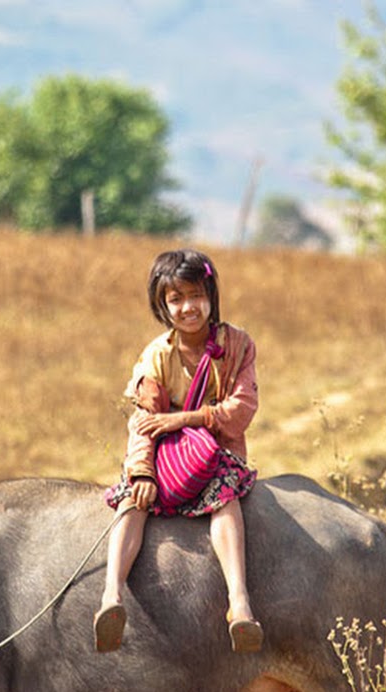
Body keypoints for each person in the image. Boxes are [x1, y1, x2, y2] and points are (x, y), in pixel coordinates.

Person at [95, 248, 263, 654]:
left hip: (216, 455)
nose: (188, 307)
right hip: (166, 459)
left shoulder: (237, 345)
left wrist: (184, 419)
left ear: (211, 296)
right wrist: (142, 472)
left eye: (196, 295)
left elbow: (242, 410)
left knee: (225, 499)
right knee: (131, 502)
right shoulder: (155, 357)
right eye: (176, 299)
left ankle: (239, 602)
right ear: (162, 305)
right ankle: (111, 597)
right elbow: (144, 422)